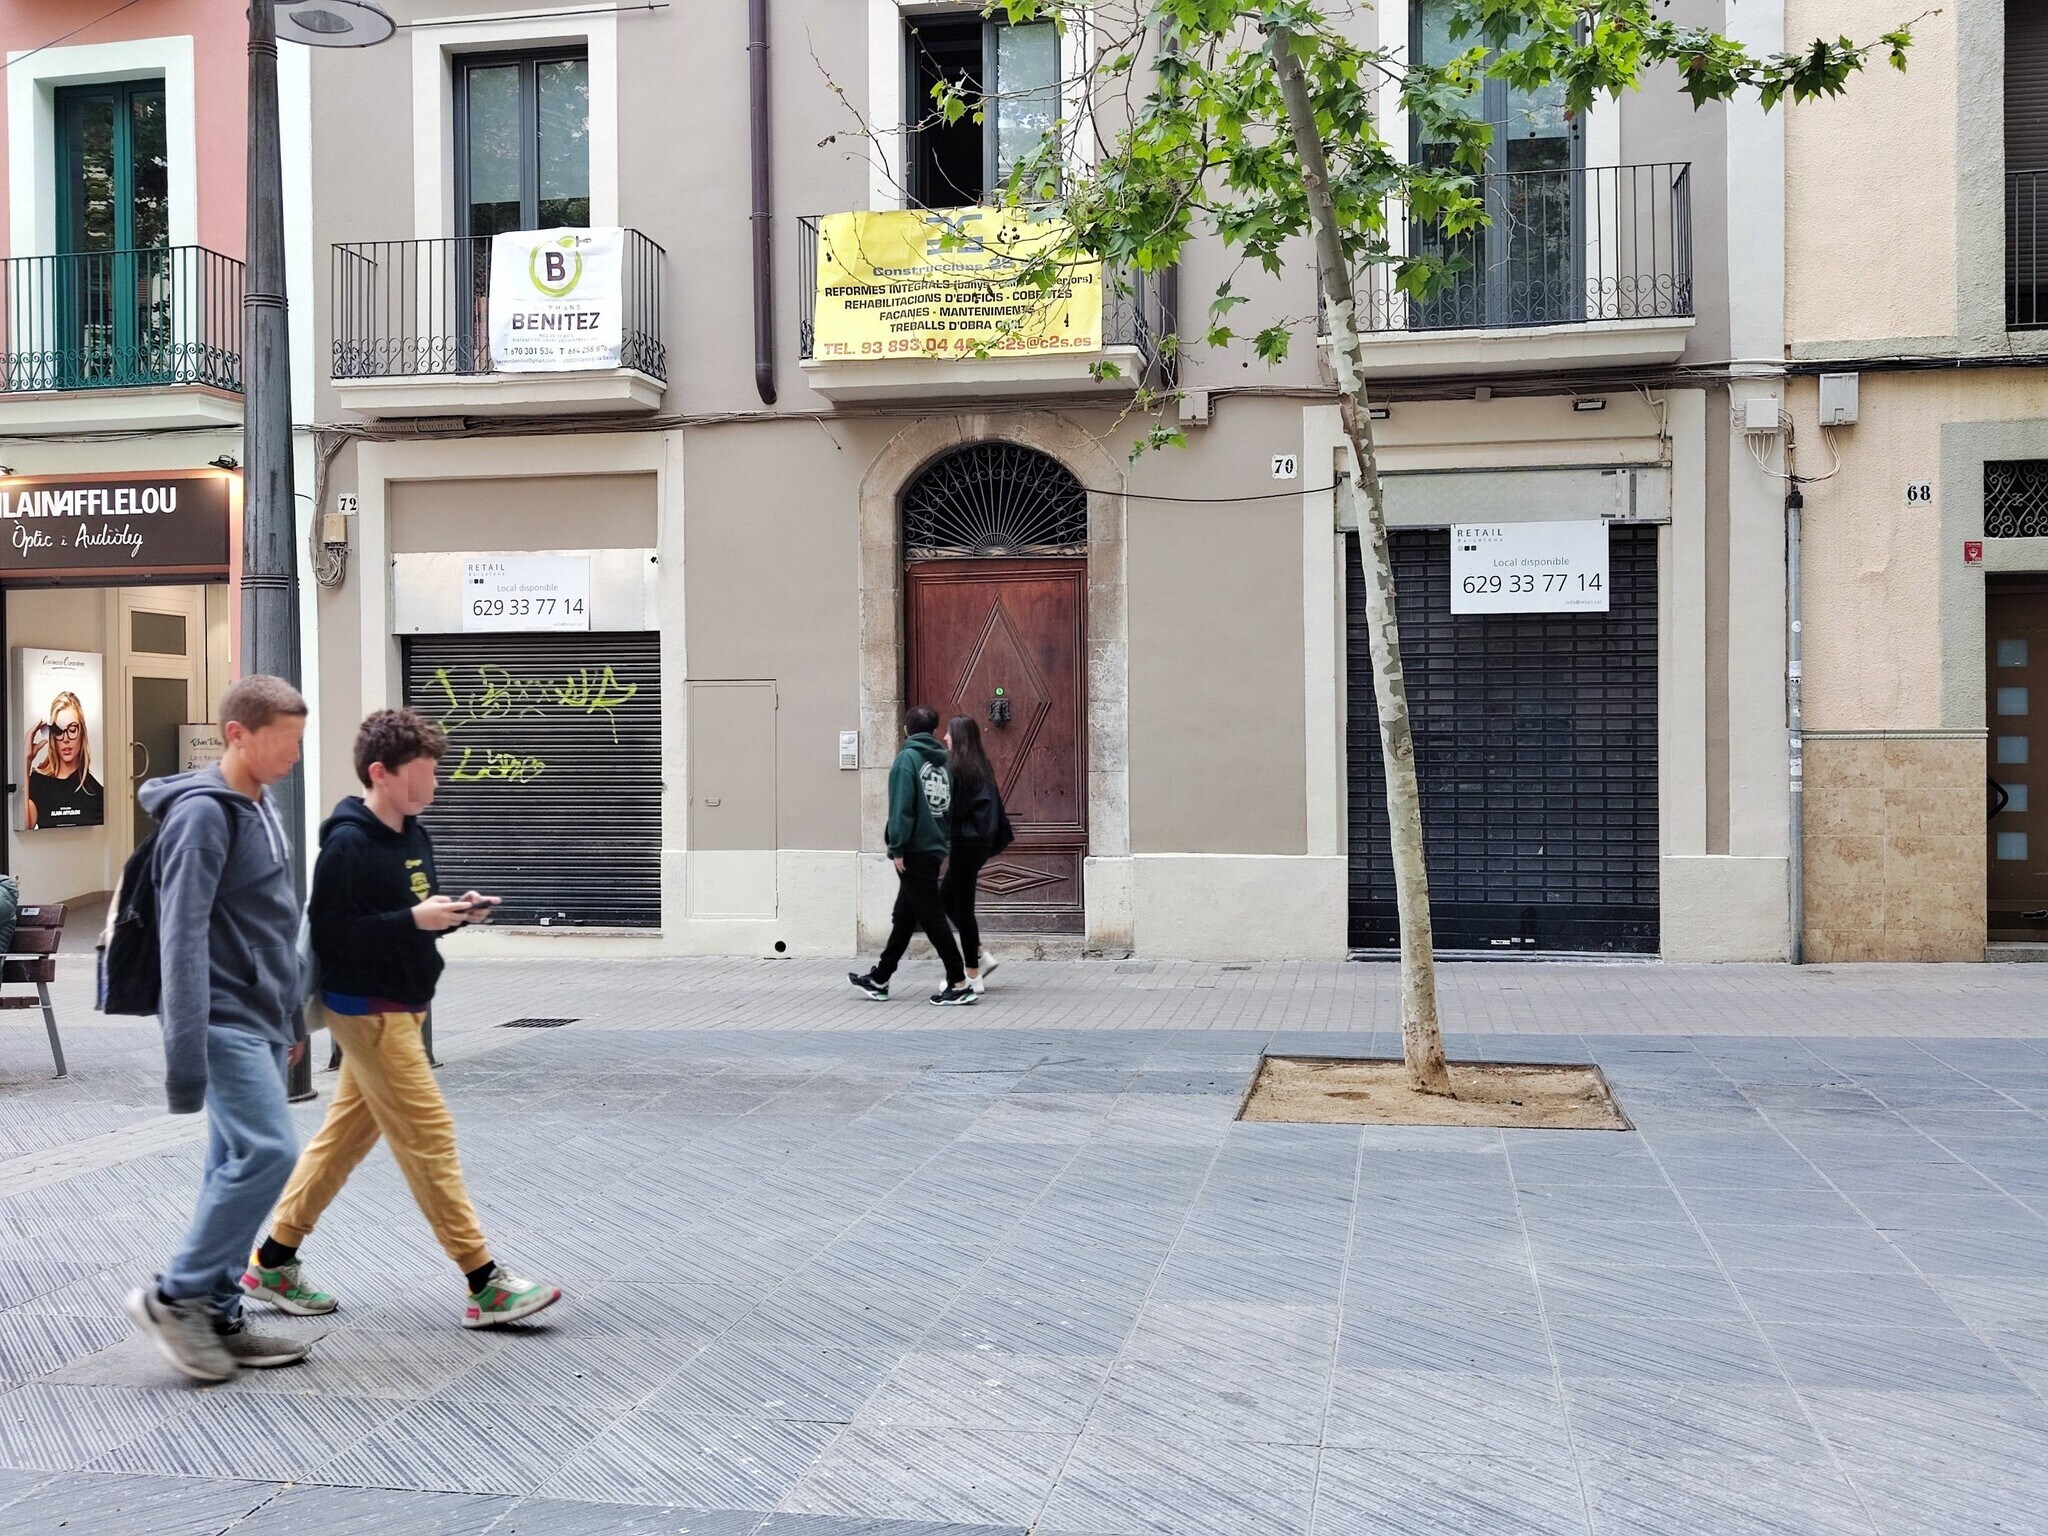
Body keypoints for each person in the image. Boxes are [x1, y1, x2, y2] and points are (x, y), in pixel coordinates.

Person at [242, 708, 561, 1329]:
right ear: (382, 774)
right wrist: (414, 922)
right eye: (426, 771)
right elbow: (335, 939)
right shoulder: (347, 846)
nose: (436, 782)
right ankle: (484, 1282)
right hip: (370, 1011)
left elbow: (409, 907)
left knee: (342, 1141)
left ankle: (273, 1263)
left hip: (407, 1006)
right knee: (429, 1137)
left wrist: (451, 912)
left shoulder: (414, 834)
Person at [123, 675, 314, 1382]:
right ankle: (175, 1297)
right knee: (269, 1152)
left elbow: (272, 922)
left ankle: (220, 1312)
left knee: (229, 1164)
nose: (295, 754)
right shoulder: (203, 816)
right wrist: (186, 1048)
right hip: (220, 1016)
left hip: (262, 1016)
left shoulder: (260, 806)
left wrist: (291, 1014)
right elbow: (182, 938)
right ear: (238, 734)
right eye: (285, 740)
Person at [849, 705, 975, 1006]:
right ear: (933, 730)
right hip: (932, 848)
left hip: (914, 851)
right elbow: (949, 807)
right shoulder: (944, 763)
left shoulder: (907, 760)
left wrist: (898, 847)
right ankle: (880, 978)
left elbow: (901, 808)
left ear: (906, 728)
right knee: (905, 916)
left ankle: (958, 982)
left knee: (932, 918)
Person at [941, 715, 1011, 996]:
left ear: (958, 737)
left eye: (948, 733)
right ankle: (979, 953)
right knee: (946, 897)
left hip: (966, 843)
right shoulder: (979, 764)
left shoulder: (958, 767)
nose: (944, 738)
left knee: (963, 907)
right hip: (979, 842)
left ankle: (972, 974)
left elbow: (953, 810)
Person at [24, 690, 103, 830]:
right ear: (53, 735)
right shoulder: (38, 782)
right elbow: (24, 825)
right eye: (59, 731)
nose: (66, 739)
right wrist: (26, 761)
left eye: (72, 729)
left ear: (82, 733)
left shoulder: (96, 791)